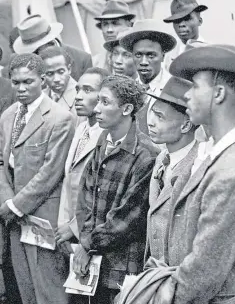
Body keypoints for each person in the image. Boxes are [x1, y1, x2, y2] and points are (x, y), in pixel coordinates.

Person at [155, 44, 235, 304]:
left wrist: (168, 294)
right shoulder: (218, 153)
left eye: (195, 86)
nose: (186, 96)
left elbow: (206, 269)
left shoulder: (233, 169)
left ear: (218, 94)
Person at [74, 75, 159, 304]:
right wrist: (86, 241)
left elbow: (127, 219)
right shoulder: (102, 143)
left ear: (127, 108)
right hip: (94, 265)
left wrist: (87, 244)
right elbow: (85, 200)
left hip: (121, 269)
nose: (97, 108)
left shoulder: (146, 155)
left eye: (105, 102)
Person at [0, 53, 75, 304]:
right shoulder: (8, 115)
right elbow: (1, 162)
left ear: (42, 80)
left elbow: (50, 172)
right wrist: (8, 202)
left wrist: (16, 206)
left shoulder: (59, 118)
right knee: (25, 289)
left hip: (44, 217)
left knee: (50, 289)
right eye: (16, 82)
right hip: (13, 218)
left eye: (28, 82)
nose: (21, 88)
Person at [145, 76, 199, 262]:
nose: (150, 122)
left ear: (185, 125)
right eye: (153, 113)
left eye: (160, 117)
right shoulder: (162, 157)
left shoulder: (198, 166)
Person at [56, 67, 109, 251]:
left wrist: (74, 228)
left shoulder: (108, 137)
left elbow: (100, 196)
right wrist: (64, 224)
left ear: (104, 97)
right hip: (70, 234)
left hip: (92, 235)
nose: (78, 96)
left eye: (87, 90)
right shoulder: (81, 129)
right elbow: (69, 180)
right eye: (77, 89)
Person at [120, 19, 176, 134]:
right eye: (138, 55)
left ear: (163, 56)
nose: (144, 62)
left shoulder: (174, 89)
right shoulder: (127, 90)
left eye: (151, 55)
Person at [12, 14, 92, 81]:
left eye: (37, 50)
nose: (37, 54)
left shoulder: (82, 59)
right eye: (33, 51)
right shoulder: (22, 65)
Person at [163, 0, 208, 70]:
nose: (181, 25)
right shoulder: (168, 54)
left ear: (199, 21)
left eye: (187, 18)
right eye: (176, 21)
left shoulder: (211, 51)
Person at [40, 46, 79, 123]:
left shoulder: (81, 97)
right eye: (50, 74)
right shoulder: (39, 98)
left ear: (69, 69)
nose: (56, 79)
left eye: (61, 72)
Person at [94, 0, 136, 70]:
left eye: (115, 23)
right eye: (105, 24)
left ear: (128, 25)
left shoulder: (139, 59)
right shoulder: (95, 62)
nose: (109, 30)